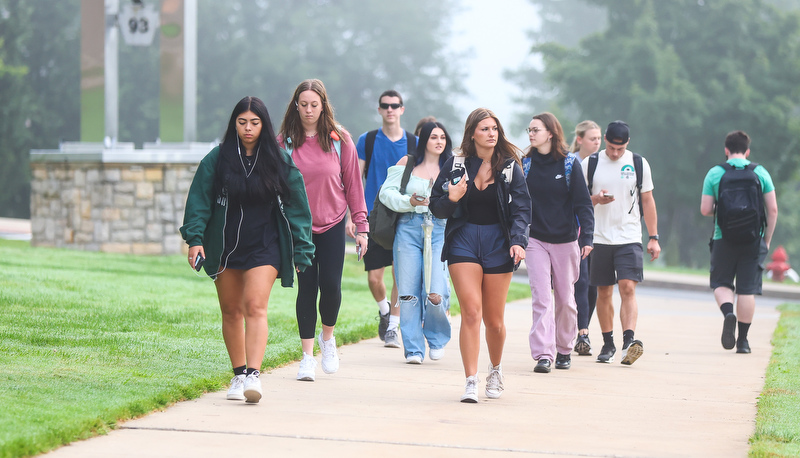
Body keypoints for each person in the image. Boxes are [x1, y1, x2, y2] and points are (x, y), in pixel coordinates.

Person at [180, 96, 314, 403]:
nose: (248, 128)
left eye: (254, 123)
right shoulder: (218, 159)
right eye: (242, 123)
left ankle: (254, 375)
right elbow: (198, 201)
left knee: (255, 305)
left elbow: (297, 206)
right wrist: (195, 239)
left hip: (265, 246)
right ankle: (238, 374)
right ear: (234, 124)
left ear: (264, 125)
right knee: (231, 310)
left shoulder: (279, 159)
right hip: (225, 247)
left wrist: (301, 249)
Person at [429, 108, 531, 402]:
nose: (491, 133)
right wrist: (451, 197)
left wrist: (518, 240)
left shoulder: (510, 167)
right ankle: (470, 380)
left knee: (494, 321)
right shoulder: (456, 164)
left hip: (499, 243)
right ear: (472, 132)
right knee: (471, 312)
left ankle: (495, 370)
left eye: (495, 129)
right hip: (463, 240)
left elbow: (523, 209)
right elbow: (437, 207)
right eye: (485, 129)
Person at [278, 79, 369, 381]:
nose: (308, 110)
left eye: (313, 105)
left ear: (323, 105)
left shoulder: (339, 139)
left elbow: (354, 184)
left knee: (330, 285)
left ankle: (327, 338)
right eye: (303, 104)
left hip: (332, 222)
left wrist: (361, 225)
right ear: (296, 105)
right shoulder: (285, 143)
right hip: (300, 228)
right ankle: (306, 357)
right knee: (307, 288)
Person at [581, 120, 660, 366]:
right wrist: (596, 199)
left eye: (621, 148)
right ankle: (608, 343)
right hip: (599, 237)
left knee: (628, 287)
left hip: (629, 236)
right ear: (605, 139)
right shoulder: (590, 163)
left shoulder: (638, 163)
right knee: (604, 291)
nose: (616, 153)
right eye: (612, 147)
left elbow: (647, 201)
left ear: (627, 143)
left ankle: (629, 341)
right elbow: (580, 202)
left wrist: (654, 237)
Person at [524, 113, 593, 373]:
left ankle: (564, 347)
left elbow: (583, 203)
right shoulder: (525, 164)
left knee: (565, 298)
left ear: (550, 133)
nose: (531, 134)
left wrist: (587, 236)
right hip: (534, 240)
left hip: (565, 240)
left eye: (536, 130)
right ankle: (544, 353)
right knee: (542, 297)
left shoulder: (568, 164)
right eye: (529, 130)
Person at [379, 121, 453, 364]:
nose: (439, 141)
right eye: (434, 137)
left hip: (440, 229)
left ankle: (436, 338)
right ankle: (413, 349)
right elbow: (386, 193)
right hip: (408, 228)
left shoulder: (452, 167)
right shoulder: (407, 163)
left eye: (442, 137)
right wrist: (408, 201)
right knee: (409, 291)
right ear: (424, 140)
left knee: (435, 291)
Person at [700, 130, 777, 353]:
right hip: (753, 239)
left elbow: (705, 209)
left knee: (721, 284)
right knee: (746, 289)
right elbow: (772, 209)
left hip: (723, 237)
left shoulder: (715, 173)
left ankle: (728, 313)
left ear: (726, 150)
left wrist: (724, 209)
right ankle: (743, 342)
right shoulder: (760, 172)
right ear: (747, 151)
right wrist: (766, 240)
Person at [353, 90, 417, 348]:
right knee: (374, 278)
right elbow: (355, 181)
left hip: (404, 216)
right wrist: (352, 217)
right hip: (373, 217)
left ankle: (393, 327)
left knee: (400, 275)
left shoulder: (414, 143)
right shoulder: (366, 140)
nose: (390, 110)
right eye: (385, 106)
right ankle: (384, 310)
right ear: (379, 110)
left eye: (395, 105)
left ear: (402, 109)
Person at [569, 120, 602, 356]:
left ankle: (583, 330)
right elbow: (574, 201)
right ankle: (579, 332)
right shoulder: (571, 163)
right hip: (575, 231)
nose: (597, 143)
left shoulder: (604, 164)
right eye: (593, 138)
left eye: (599, 138)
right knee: (577, 283)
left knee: (592, 286)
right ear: (579, 140)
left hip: (601, 232)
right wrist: (595, 198)